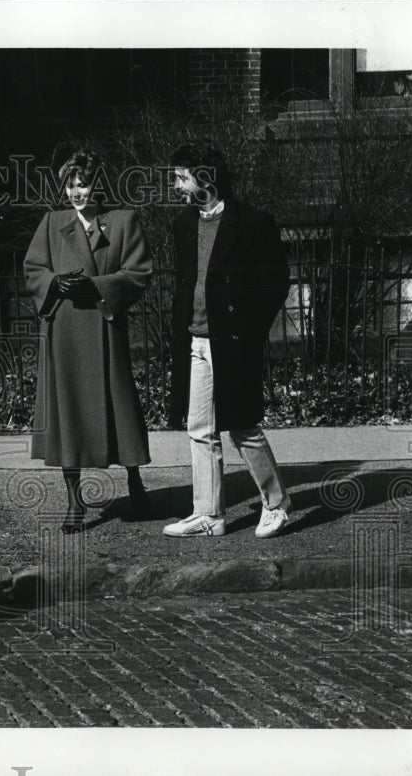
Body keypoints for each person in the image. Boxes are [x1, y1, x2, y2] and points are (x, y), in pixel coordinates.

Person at [164, 142, 292, 538]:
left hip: (233, 342)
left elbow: (275, 285)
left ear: (205, 179)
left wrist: (249, 331)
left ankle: (277, 503)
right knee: (199, 429)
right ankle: (209, 514)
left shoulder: (253, 223)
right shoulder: (184, 224)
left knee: (242, 426)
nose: (177, 187)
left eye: (182, 178)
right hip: (196, 342)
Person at [23, 149, 154, 533]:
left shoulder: (122, 222)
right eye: (71, 185)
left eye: (85, 184)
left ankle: (135, 481)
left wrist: (96, 286)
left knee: (120, 408)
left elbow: (138, 272)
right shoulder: (53, 223)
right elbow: (33, 268)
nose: (77, 192)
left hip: (103, 325)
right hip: (64, 331)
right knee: (69, 413)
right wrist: (53, 283)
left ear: (100, 187)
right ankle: (74, 501)